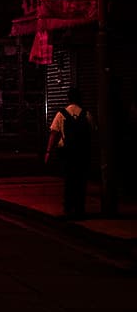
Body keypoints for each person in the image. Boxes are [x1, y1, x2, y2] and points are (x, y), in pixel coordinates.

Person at [46, 86, 94, 219]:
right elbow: (92, 132)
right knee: (81, 180)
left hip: (66, 152)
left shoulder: (61, 114)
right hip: (82, 152)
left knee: (69, 180)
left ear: (68, 98)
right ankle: (80, 207)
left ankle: (68, 206)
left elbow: (54, 133)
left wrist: (48, 151)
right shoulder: (86, 114)